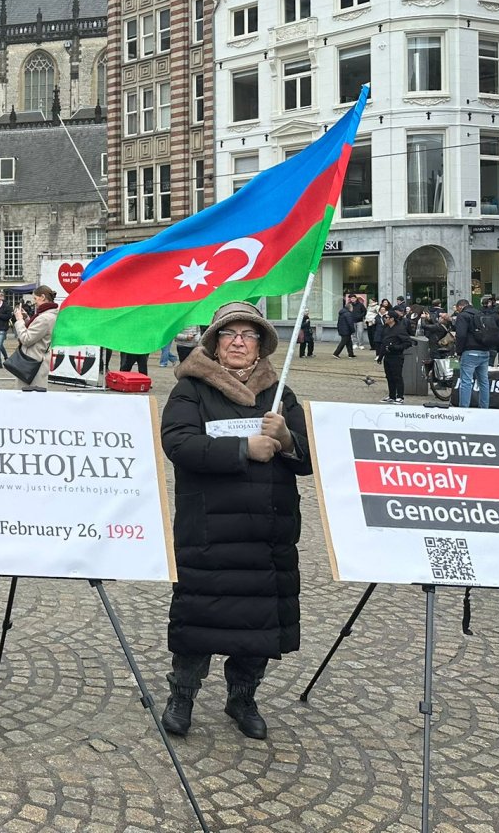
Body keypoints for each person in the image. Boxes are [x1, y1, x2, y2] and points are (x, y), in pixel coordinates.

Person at [158, 301, 310, 740]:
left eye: (248, 335)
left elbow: (310, 457)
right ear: (215, 342)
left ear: (261, 345)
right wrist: (243, 449)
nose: (239, 341)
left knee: (257, 624)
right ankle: (182, 694)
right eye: (229, 334)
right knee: (198, 618)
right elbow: (178, 443)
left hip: (267, 532)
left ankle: (243, 697)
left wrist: (287, 440)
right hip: (210, 529)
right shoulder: (192, 389)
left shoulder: (279, 393)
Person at [454, 297, 499, 409]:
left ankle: (464, 409)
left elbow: (461, 335)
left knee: (466, 381)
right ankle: (484, 407)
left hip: (469, 352)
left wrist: (458, 351)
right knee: (484, 381)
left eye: (457, 309)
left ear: (460, 306)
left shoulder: (463, 316)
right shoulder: (481, 314)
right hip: (485, 351)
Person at [11, 286, 59, 390]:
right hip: (35, 361)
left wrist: (19, 320)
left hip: (32, 364)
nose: (34, 302)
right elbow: (36, 332)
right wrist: (26, 318)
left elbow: (26, 339)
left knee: (29, 396)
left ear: (43, 297)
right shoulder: (47, 314)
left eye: (35, 298)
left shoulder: (45, 318)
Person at [377, 306, 412, 404]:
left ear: (392, 319)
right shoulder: (386, 328)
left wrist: (396, 347)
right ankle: (391, 396)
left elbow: (408, 342)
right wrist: (380, 356)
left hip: (396, 356)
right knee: (389, 376)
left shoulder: (400, 329)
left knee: (397, 376)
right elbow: (384, 343)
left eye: (386, 317)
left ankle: (400, 396)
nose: (385, 319)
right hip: (387, 356)